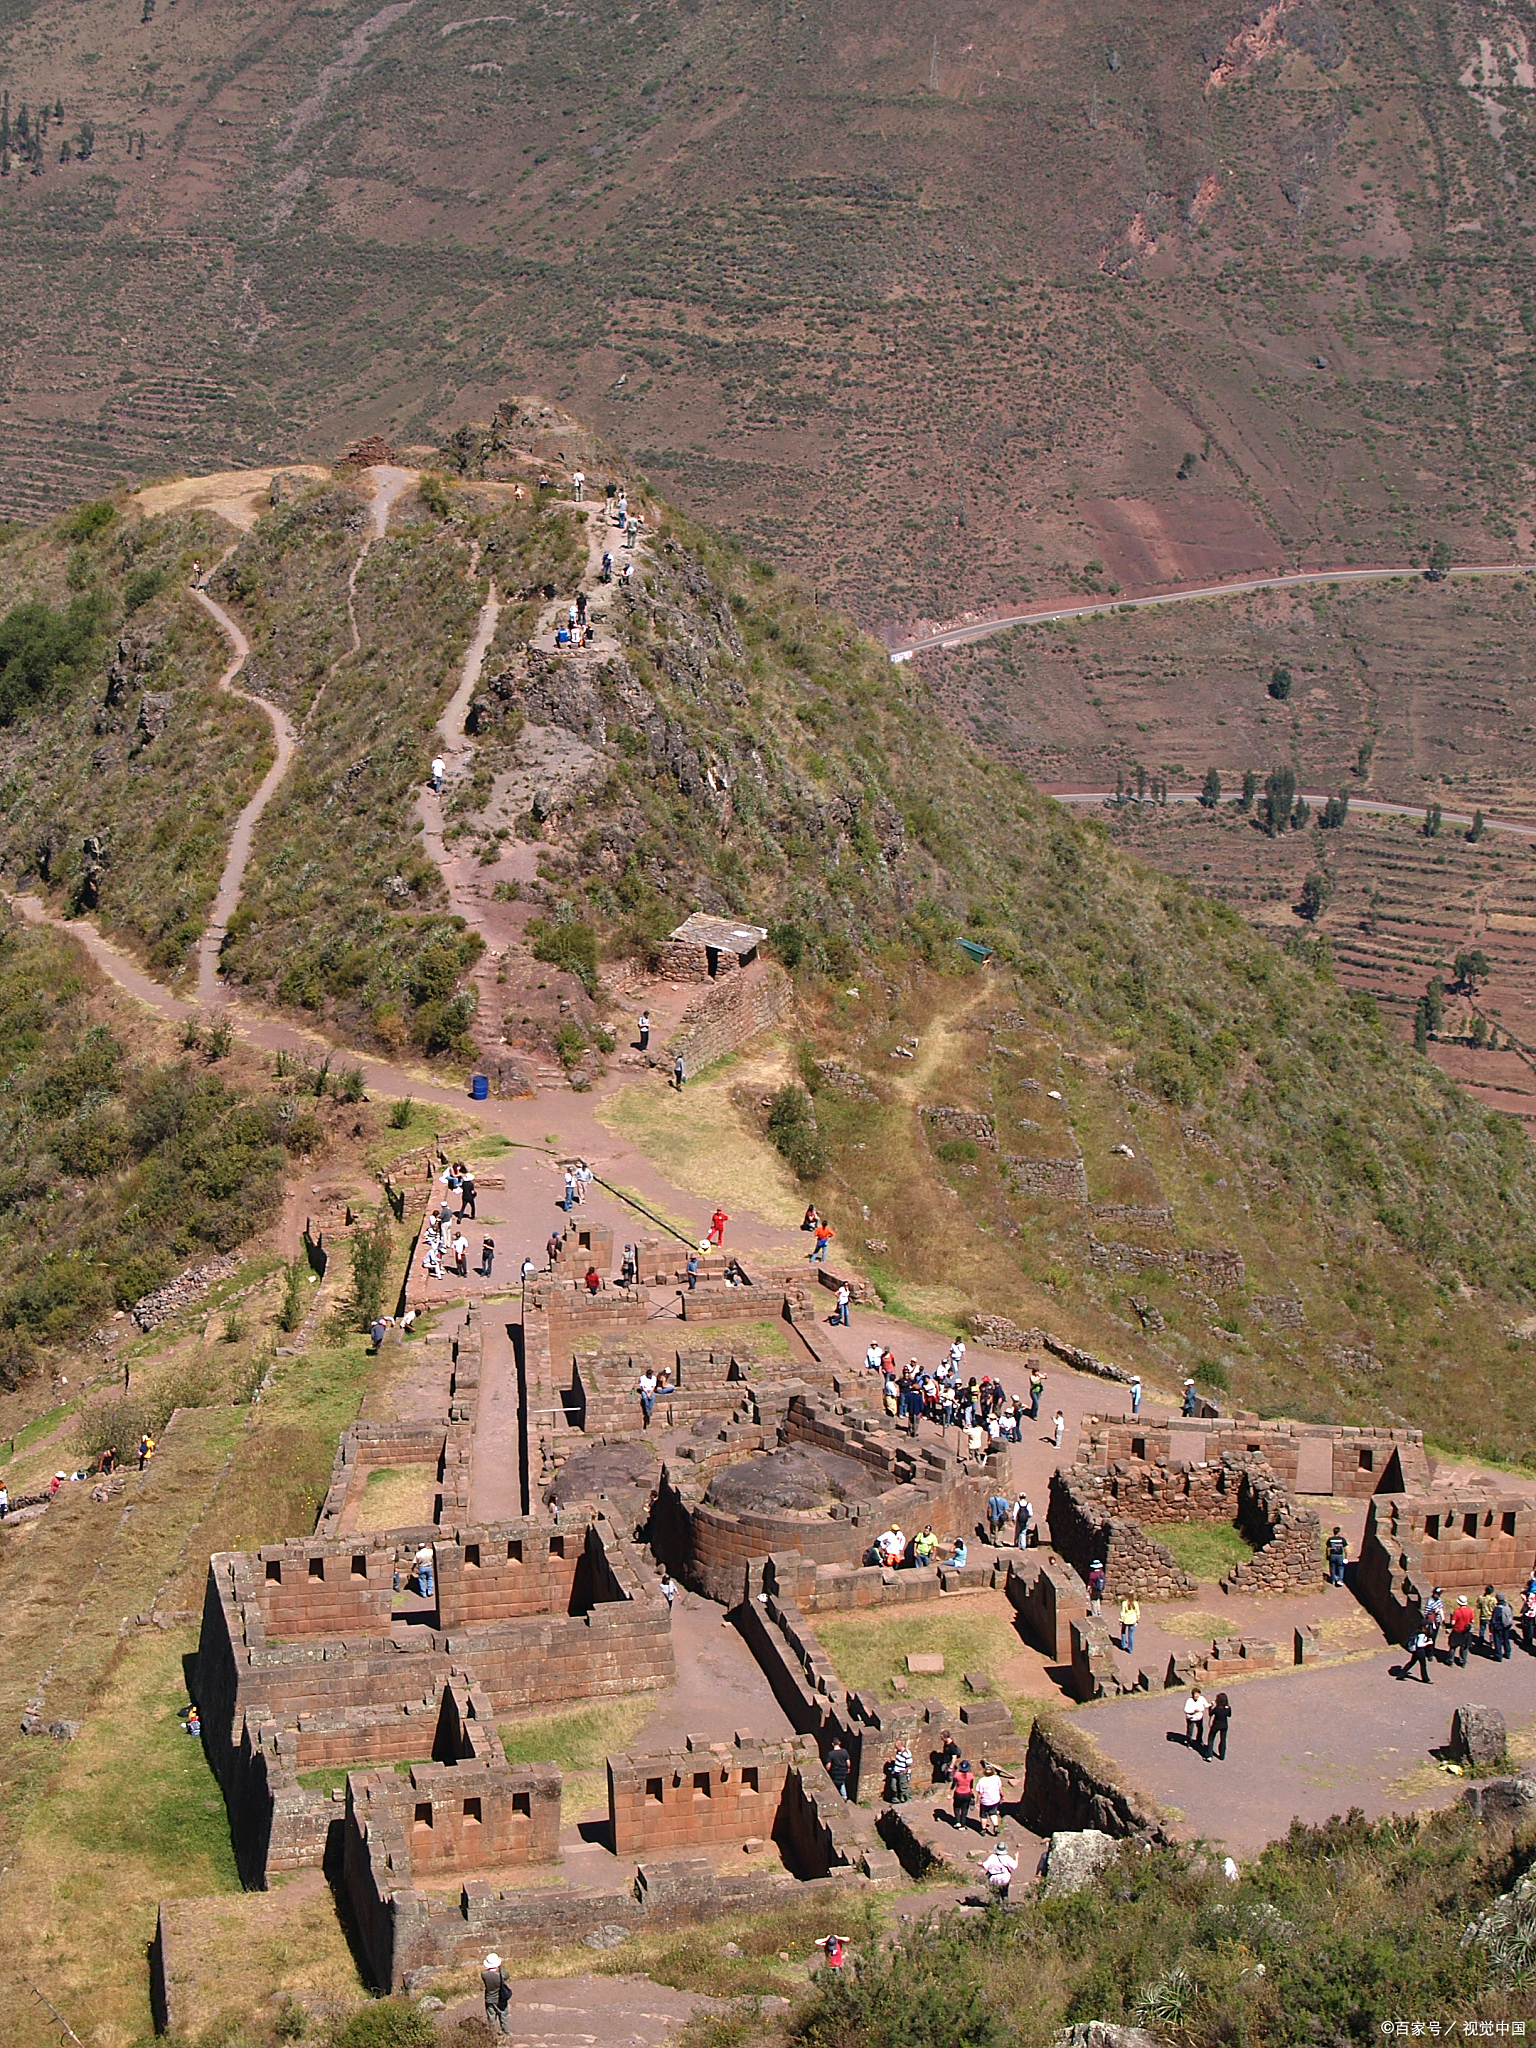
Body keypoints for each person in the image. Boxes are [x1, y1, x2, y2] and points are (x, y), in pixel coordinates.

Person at [983, 1838, 1019, 1906]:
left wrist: (980, 1864)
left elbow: (985, 1866)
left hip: (994, 1878)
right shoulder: (1007, 1858)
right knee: (1005, 1893)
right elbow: (1014, 1866)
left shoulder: (992, 1857)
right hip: (1005, 1878)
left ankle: (996, 1908)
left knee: (996, 1894)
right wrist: (1016, 1858)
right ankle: (1006, 1906)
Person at [482, 1953, 512, 2035]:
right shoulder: (501, 1976)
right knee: (503, 2016)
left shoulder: (484, 1975)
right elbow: (506, 1975)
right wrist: (500, 1965)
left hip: (489, 1999)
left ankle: (493, 2033)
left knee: (491, 2017)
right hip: (500, 1999)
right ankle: (506, 2032)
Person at [975, 1760, 1004, 1834]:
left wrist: (977, 1802)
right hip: (995, 1800)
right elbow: (1000, 1789)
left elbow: (980, 1793)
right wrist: (1002, 1796)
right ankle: (996, 1826)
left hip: (985, 1802)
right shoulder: (997, 1778)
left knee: (983, 1815)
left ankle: (983, 1829)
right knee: (993, 1813)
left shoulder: (982, 1781)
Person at [1450, 1593, 1475, 1666]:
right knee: (1464, 1647)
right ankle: (1463, 1662)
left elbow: (1453, 1622)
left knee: (1453, 1646)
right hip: (1466, 1632)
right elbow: (1472, 1621)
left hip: (1457, 1631)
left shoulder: (1456, 1611)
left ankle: (1450, 1660)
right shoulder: (1470, 1610)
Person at [1207, 1690, 1232, 1761]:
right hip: (1224, 1725)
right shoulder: (1227, 1708)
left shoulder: (1217, 1708)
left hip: (1216, 1725)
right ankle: (1222, 1755)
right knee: (1223, 1740)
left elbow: (1210, 1714)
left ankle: (1209, 1755)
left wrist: (1210, 1707)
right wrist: (1228, 1708)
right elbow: (1229, 1715)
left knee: (1211, 1738)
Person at [951, 1758, 975, 1829]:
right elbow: (971, 1786)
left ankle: (957, 1821)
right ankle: (963, 1824)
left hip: (958, 1793)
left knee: (956, 1807)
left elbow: (954, 1784)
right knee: (965, 1809)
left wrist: (950, 1792)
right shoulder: (971, 1775)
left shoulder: (957, 1775)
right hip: (967, 1794)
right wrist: (972, 1793)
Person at [1492, 1591, 1515, 1661]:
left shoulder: (1498, 1608)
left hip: (1499, 1627)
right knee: (1506, 1639)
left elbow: (1494, 1619)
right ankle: (1508, 1653)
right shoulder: (1508, 1605)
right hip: (1507, 1626)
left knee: (1498, 1641)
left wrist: (1492, 1627)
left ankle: (1499, 1656)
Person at [1477, 1583, 1498, 1649]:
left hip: (1483, 1615)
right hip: (1490, 1616)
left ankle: (1481, 1640)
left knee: (1482, 1629)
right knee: (1491, 1630)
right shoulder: (1493, 1599)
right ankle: (1492, 1641)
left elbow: (1478, 1606)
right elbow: (1495, 1607)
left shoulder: (1481, 1598)